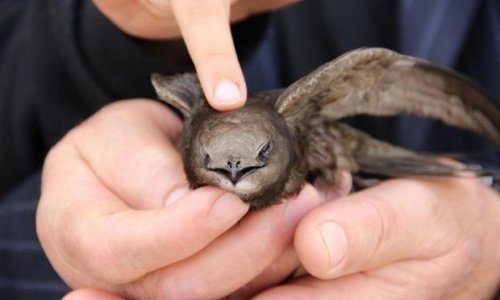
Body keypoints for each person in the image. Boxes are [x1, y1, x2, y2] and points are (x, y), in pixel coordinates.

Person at [1, 0, 499, 299]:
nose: (236, 174)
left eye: (252, 161)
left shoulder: (295, 119)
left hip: (335, 154)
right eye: (218, 166)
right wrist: (120, 42)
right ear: (194, 150)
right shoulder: (187, 110)